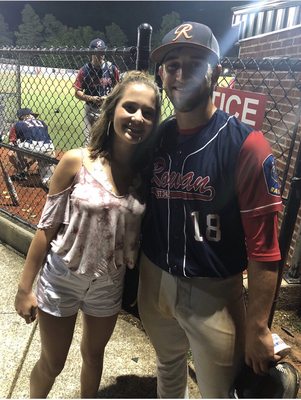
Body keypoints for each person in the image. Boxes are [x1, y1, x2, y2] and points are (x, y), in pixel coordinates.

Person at [138, 22, 283, 398]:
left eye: (195, 63)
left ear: (216, 71)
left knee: (218, 391)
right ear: (162, 74)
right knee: (167, 368)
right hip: (154, 279)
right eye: (173, 65)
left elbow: (265, 249)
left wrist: (259, 326)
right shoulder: (156, 138)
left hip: (214, 294)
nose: (181, 74)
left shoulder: (247, 146)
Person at [14, 71, 161, 398]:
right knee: (53, 363)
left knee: (94, 357)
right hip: (62, 278)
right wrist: (25, 288)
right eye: (130, 107)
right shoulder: (76, 161)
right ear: (113, 112)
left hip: (108, 284)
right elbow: (46, 228)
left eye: (148, 113)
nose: (137, 118)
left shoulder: (145, 177)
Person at [74, 38, 120, 145]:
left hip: (107, 109)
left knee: (106, 140)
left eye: (102, 51)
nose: (101, 54)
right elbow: (77, 92)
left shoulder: (111, 69)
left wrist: (108, 97)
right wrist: (91, 98)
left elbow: (119, 89)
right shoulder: (85, 70)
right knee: (89, 142)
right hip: (90, 109)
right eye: (98, 52)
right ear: (91, 53)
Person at [8, 108, 55, 189]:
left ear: (20, 117)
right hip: (48, 148)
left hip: (30, 149)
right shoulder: (42, 123)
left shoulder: (17, 124)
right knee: (47, 179)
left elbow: (12, 142)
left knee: (14, 148)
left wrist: (12, 151)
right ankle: (48, 180)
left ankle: (22, 172)